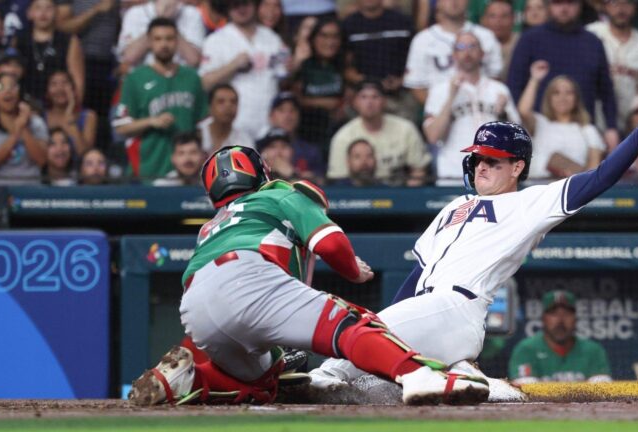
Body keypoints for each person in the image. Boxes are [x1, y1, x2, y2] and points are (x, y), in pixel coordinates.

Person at [309, 87, 638, 398]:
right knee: (375, 384)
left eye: (493, 160)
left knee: (357, 330)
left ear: (517, 167)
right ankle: (480, 384)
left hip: (458, 308)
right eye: (477, 159)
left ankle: (322, 374)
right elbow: (416, 276)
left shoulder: (529, 203)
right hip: (426, 317)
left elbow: (601, 177)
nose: (481, 166)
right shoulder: (453, 206)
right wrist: (391, 328)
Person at [128, 145, 490, 407]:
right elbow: (331, 244)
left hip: (195, 304)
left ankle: (190, 379)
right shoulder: (278, 194)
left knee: (262, 384)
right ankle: (417, 376)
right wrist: (355, 272)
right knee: (352, 324)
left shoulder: (210, 226)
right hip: (250, 279)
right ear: (260, 174)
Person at [508, 0, 620, 151]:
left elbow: (606, 91)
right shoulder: (529, 40)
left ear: (579, 6)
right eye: (558, 3)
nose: (564, 8)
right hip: (537, 132)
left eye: (570, 3)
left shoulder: (593, 42)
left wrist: (611, 127)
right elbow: (514, 87)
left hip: (583, 133)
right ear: (549, 6)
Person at [113, 18, 207, 181]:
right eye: (158, 39)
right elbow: (121, 127)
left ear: (177, 41)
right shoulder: (135, 78)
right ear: (149, 42)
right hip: (149, 167)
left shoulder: (192, 77)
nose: (164, 44)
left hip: (188, 170)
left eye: (169, 38)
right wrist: (151, 121)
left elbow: (202, 125)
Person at [424, 31, 520, 185]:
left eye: (472, 46)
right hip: (454, 174)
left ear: (482, 54)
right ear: (454, 55)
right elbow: (433, 136)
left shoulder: (499, 89)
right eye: (461, 47)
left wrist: (503, 114)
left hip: (496, 176)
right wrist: (451, 97)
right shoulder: (439, 90)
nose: (467, 52)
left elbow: (517, 138)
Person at [200, 0, 290, 142]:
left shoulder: (272, 38)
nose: (241, 9)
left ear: (254, 5)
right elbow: (204, 83)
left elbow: (284, 77)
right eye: (236, 5)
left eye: (245, 4)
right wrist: (233, 65)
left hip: (268, 124)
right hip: (235, 124)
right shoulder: (216, 40)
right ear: (228, 8)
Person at [327, 80, 431, 186]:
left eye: (375, 97)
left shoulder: (406, 129)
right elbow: (338, 179)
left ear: (384, 101)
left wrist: (407, 195)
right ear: (355, 102)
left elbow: (419, 170)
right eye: (363, 97)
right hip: (356, 195)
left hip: (397, 191)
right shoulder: (342, 137)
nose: (369, 103)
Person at [404, 0, 502, 105]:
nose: (454, 2)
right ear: (438, 3)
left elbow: (495, 78)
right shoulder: (422, 40)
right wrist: (441, 110)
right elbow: (417, 87)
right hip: (438, 112)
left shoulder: (486, 36)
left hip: (482, 108)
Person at [518, 62, 605, 180]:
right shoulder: (541, 123)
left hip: (571, 189)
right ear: (549, 98)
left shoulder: (588, 130)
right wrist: (535, 79)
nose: (562, 98)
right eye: (556, 93)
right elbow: (523, 110)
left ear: (576, 98)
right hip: (539, 187)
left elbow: (594, 171)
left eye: (569, 92)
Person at [508, 290, 611, 384]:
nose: (560, 320)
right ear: (543, 319)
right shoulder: (526, 350)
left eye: (566, 314)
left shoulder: (593, 351)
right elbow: (525, 392)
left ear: (576, 319)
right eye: (554, 314)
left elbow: (602, 392)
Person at [586, 0, 638, 132]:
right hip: (591, 119)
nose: (621, 9)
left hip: (626, 124)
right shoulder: (591, 33)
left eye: (627, 3)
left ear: (635, 7)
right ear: (605, 6)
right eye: (615, 3)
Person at [341, 0, 415, 121]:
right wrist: (373, 83)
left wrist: (402, 80)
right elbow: (344, 67)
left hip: (401, 95)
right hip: (363, 96)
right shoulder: (348, 26)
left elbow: (417, 60)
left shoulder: (403, 22)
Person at [54, 0, 119, 121]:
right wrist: (96, 10)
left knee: (105, 118)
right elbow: (61, 26)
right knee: (83, 113)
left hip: (108, 61)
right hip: (82, 61)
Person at [13, 0, 85, 106]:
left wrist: (74, 108)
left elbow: (78, 81)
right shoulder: (19, 41)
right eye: (38, 8)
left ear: (56, 12)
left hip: (58, 106)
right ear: (29, 13)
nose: (43, 13)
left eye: (48, 8)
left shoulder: (69, 40)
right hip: (25, 104)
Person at [293, 18, 345, 147]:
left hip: (338, 135)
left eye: (335, 37)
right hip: (307, 136)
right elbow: (295, 99)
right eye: (324, 36)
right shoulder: (304, 66)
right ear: (313, 38)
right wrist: (325, 103)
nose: (330, 42)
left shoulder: (343, 66)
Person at [0, 73, 48, 185]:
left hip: (30, 191)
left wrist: (24, 128)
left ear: (20, 94)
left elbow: (42, 160)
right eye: (0, 87)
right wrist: (16, 134)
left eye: (13, 86)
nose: (7, 91)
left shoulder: (36, 122)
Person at [117, 0, 205, 68]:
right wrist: (160, 19)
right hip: (144, 81)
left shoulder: (192, 13)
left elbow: (194, 60)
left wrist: (168, 22)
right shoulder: (135, 13)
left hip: (179, 81)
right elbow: (129, 58)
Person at [266, 92, 325, 179]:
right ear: (271, 116)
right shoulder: (258, 147)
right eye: (281, 110)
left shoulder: (311, 151)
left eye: (292, 110)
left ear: (299, 115)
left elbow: (322, 182)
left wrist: (293, 174)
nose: (287, 116)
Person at [43, 70, 96, 158]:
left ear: (74, 90)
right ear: (47, 93)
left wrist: (70, 117)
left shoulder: (89, 116)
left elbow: (85, 155)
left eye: (65, 83)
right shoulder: (40, 117)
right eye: (54, 84)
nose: (60, 88)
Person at [197, 84, 253, 154]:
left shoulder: (244, 142)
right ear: (209, 107)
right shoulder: (196, 132)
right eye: (221, 102)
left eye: (233, 102)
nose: (228, 106)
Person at [480, 0, 517, 83]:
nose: (498, 21)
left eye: (504, 16)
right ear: (483, 20)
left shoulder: (522, 43)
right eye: (492, 16)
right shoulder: (475, 43)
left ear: (513, 19)